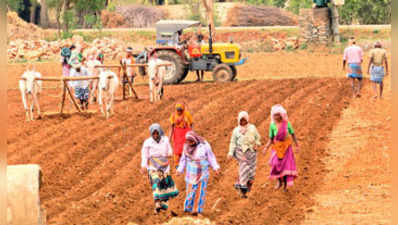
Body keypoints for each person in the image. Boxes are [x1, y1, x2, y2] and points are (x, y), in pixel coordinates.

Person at [176, 131, 220, 215]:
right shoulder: (186, 147)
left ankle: (197, 210)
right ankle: (187, 209)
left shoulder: (204, 145)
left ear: (195, 140)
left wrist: (215, 167)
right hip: (191, 172)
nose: (189, 143)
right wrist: (179, 170)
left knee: (200, 192)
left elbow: (211, 157)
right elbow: (183, 159)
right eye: (188, 141)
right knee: (190, 192)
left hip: (202, 172)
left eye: (191, 141)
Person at [140, 124, 179, 214]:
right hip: (154, 166)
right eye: (154, 134)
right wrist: (144, 166)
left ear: (160, 132)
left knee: (164, 187)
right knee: (156, 182)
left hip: (164, 167)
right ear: (151, 134)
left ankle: (163, 207)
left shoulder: (165, 140)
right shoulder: (148, 142)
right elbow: (144, 155)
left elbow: (170, 151)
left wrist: (168, 154)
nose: (156, 135)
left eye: (157, 133)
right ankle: (157, 202)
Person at [263, 104, 300, 192]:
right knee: (276, 164)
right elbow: (271, 138)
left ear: (282, 115)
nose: (276, 117)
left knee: (286, 166)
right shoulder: (272, 125)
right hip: (277, 147)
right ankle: (279, 181)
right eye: (274, 115)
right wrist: (266, 147)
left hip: (286, 147)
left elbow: (293, 134)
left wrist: (297, 145)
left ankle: (285, 186)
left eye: (278, 115)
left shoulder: (287, 124)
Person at [228, 111, 261, 198]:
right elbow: (233, 142)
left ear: (247, 120)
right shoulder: (236, 131)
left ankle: (244, 184)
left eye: (244, 120)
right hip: (241, 152)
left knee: (251, 172)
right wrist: (230, 153)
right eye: (241, 120)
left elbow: (258, 137)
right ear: (238, 121)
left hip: (251, 153)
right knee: (244, 168)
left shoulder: (252, 128)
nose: (243, 122)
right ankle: (242, 191)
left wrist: (256, 145)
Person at [169, 103, 193, 168]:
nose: (179, 112)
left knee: (186, 147)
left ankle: (186, 162)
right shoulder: (173, 116)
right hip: (177, 134)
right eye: (178, 110)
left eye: (181, 110)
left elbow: (191, 124)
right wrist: (169, 138)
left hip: (185, 132)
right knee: (177, 149)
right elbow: (171, 127)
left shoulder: (187, 114)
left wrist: (192, 134)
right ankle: (177, 164)